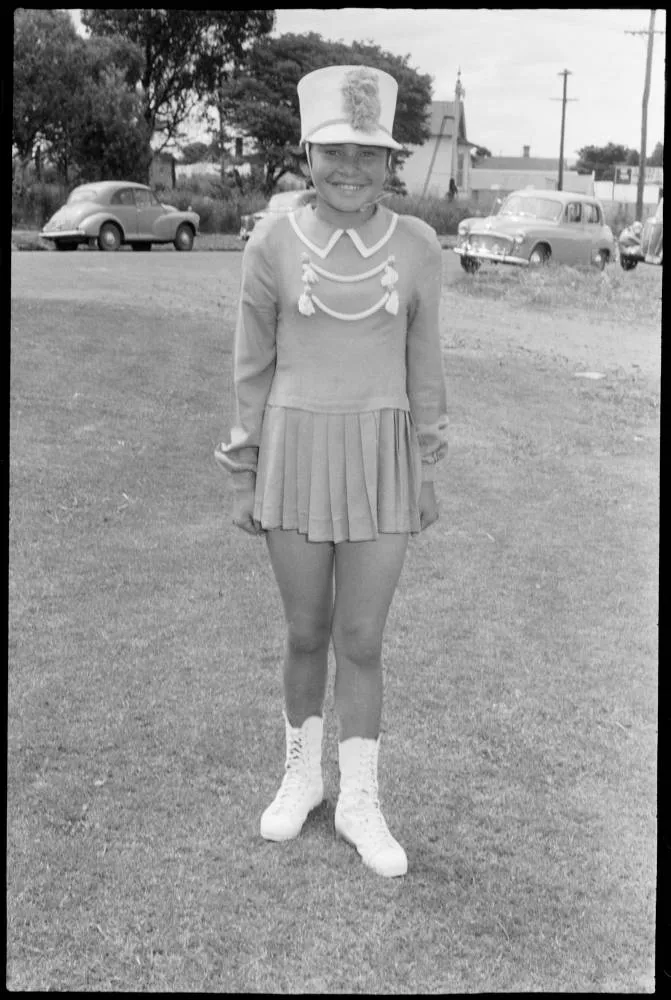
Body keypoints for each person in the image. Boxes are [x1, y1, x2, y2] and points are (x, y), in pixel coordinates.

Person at [215, 64, 448, 878]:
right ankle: (302, 778)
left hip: (382, 456)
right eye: (334, 152)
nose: (351, 170)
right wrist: (243, 471)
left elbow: (425, 368)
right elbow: (252, 365)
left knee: (362, 639)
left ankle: (359, 799)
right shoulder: (270, 243)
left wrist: (424, 467)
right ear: (307, 153)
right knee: (307, 632)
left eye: (370, 155)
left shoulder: (418, 249)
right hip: (294, 452)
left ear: (391, 163)